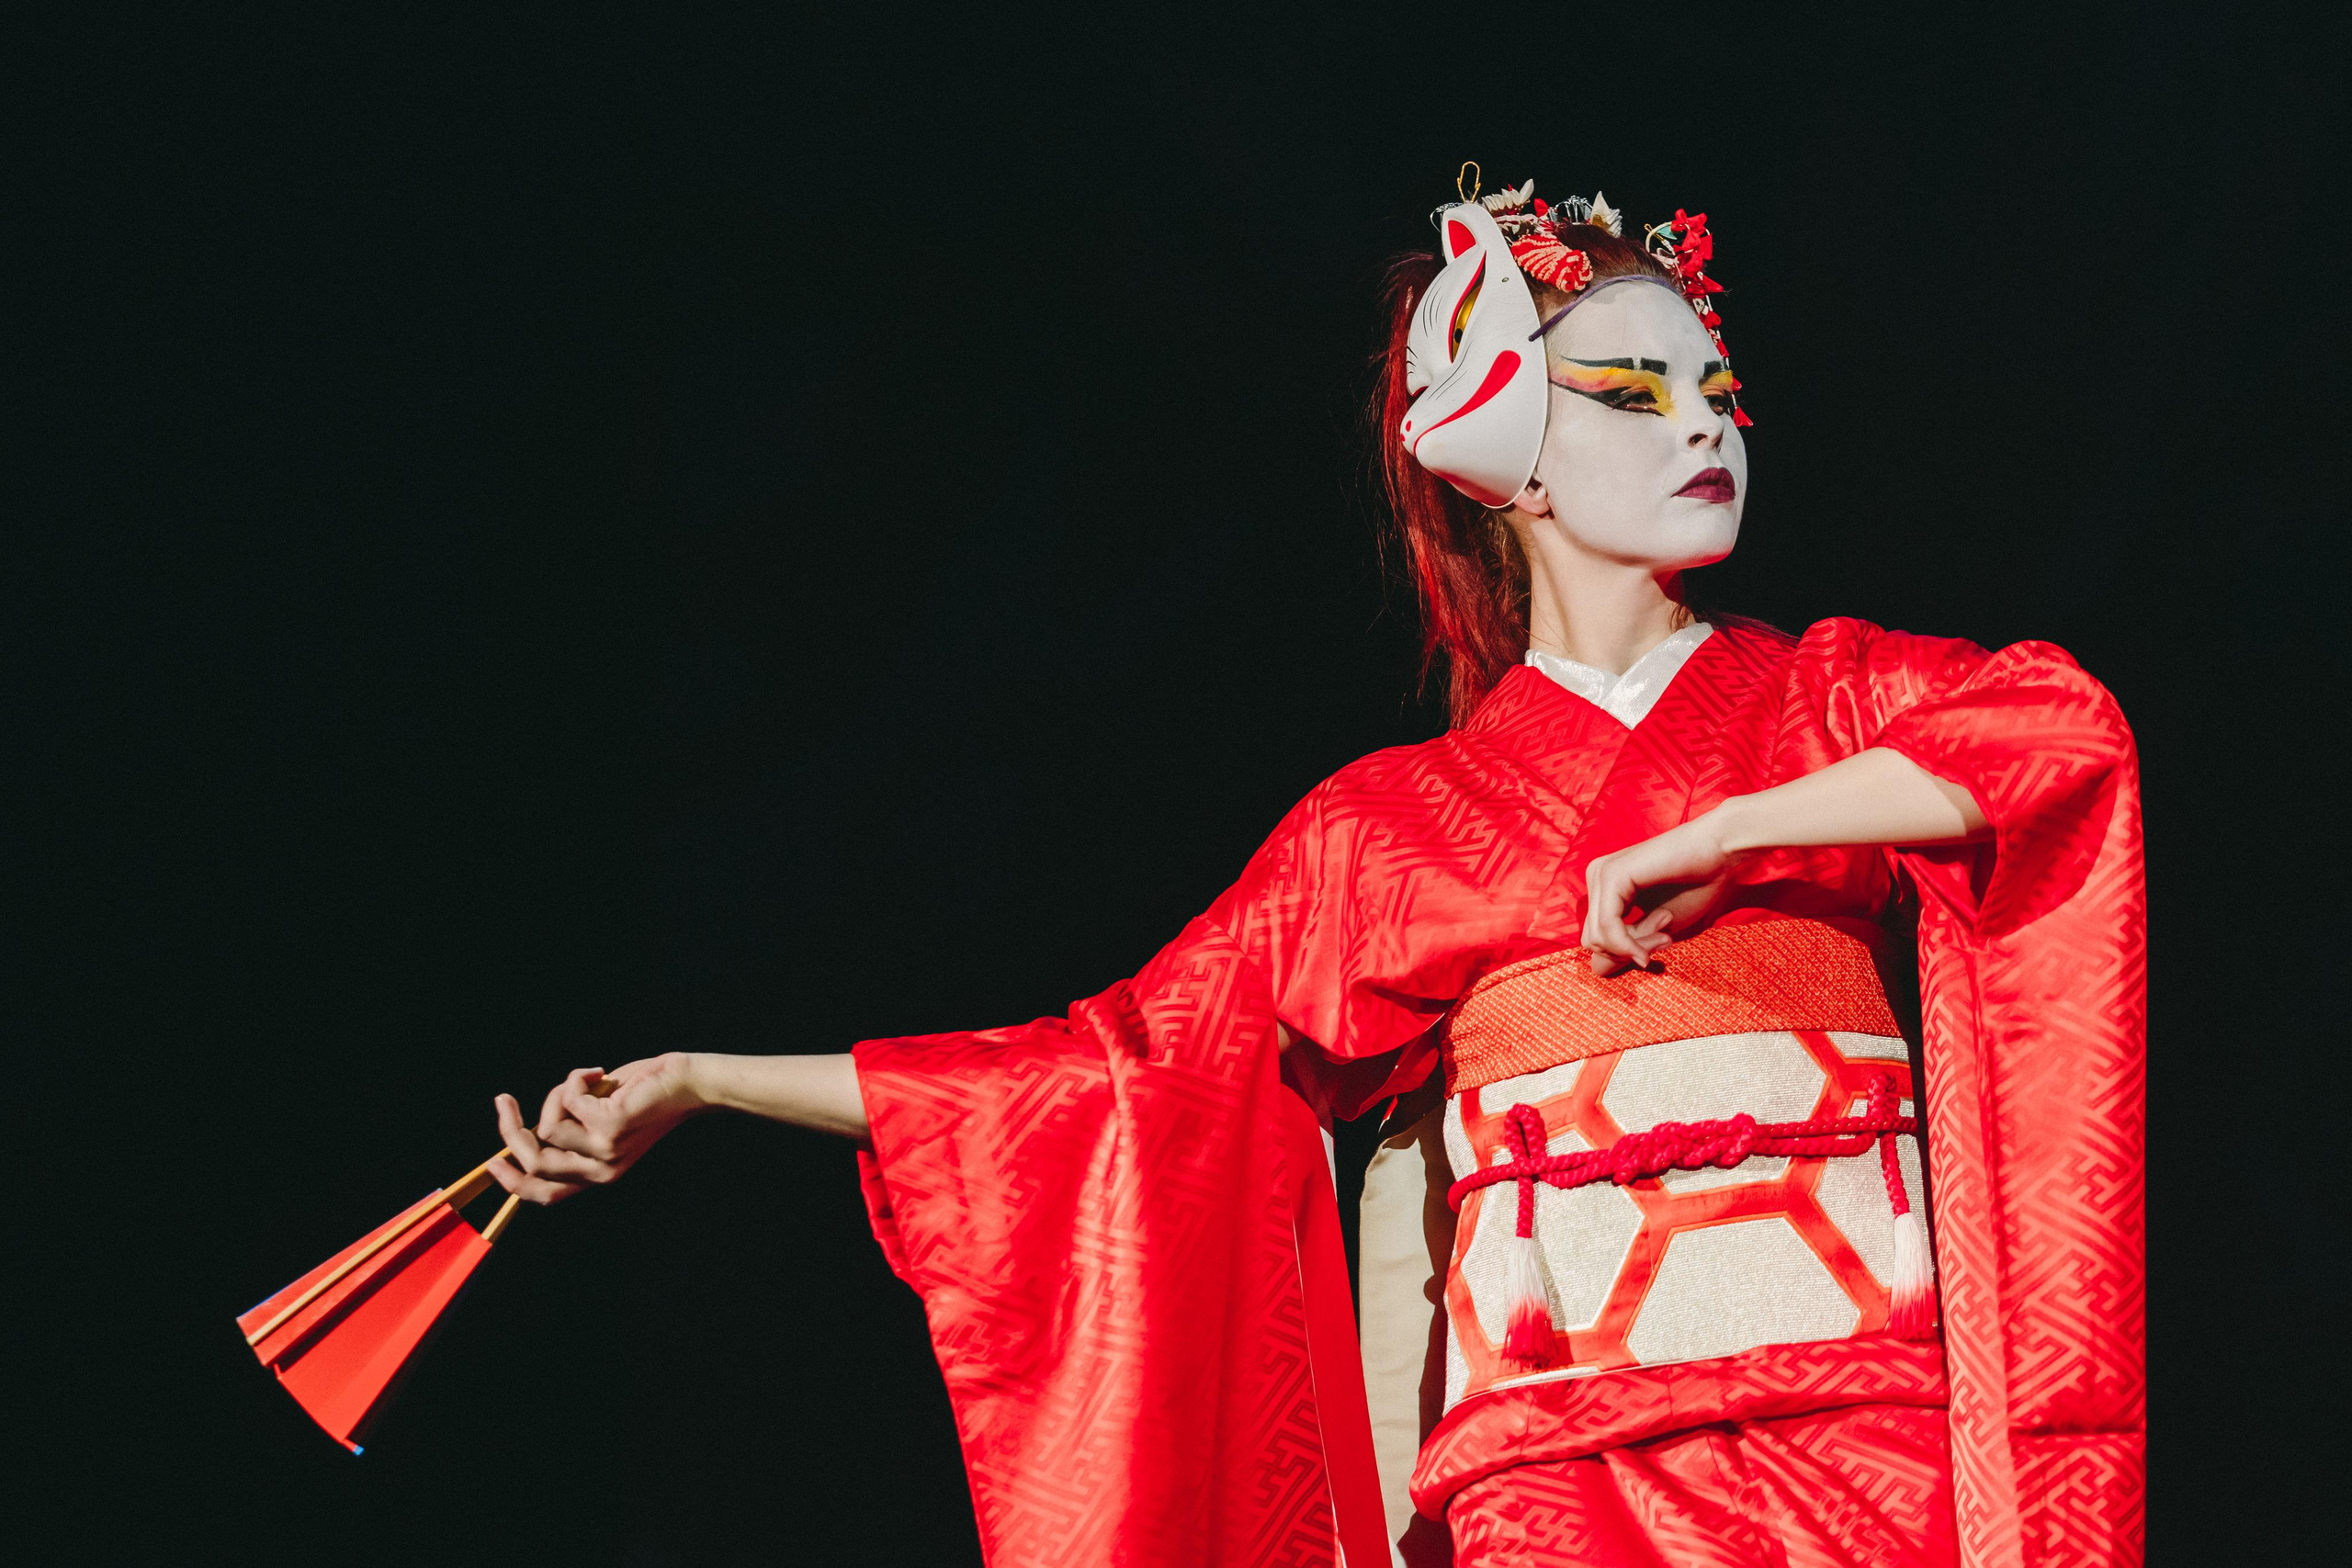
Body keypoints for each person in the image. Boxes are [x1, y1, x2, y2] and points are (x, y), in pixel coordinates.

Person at [488, 173, 2145, 1568]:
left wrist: (1733, 829)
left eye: (1718, 389)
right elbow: (1107, 1079)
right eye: (1633, 389)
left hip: (1854, 1442)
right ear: (1512, 453)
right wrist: (698, 1080)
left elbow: (2057, 737)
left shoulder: (1820, 702)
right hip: (1549, 1490)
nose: (1704, 423)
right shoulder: (1387, 830)